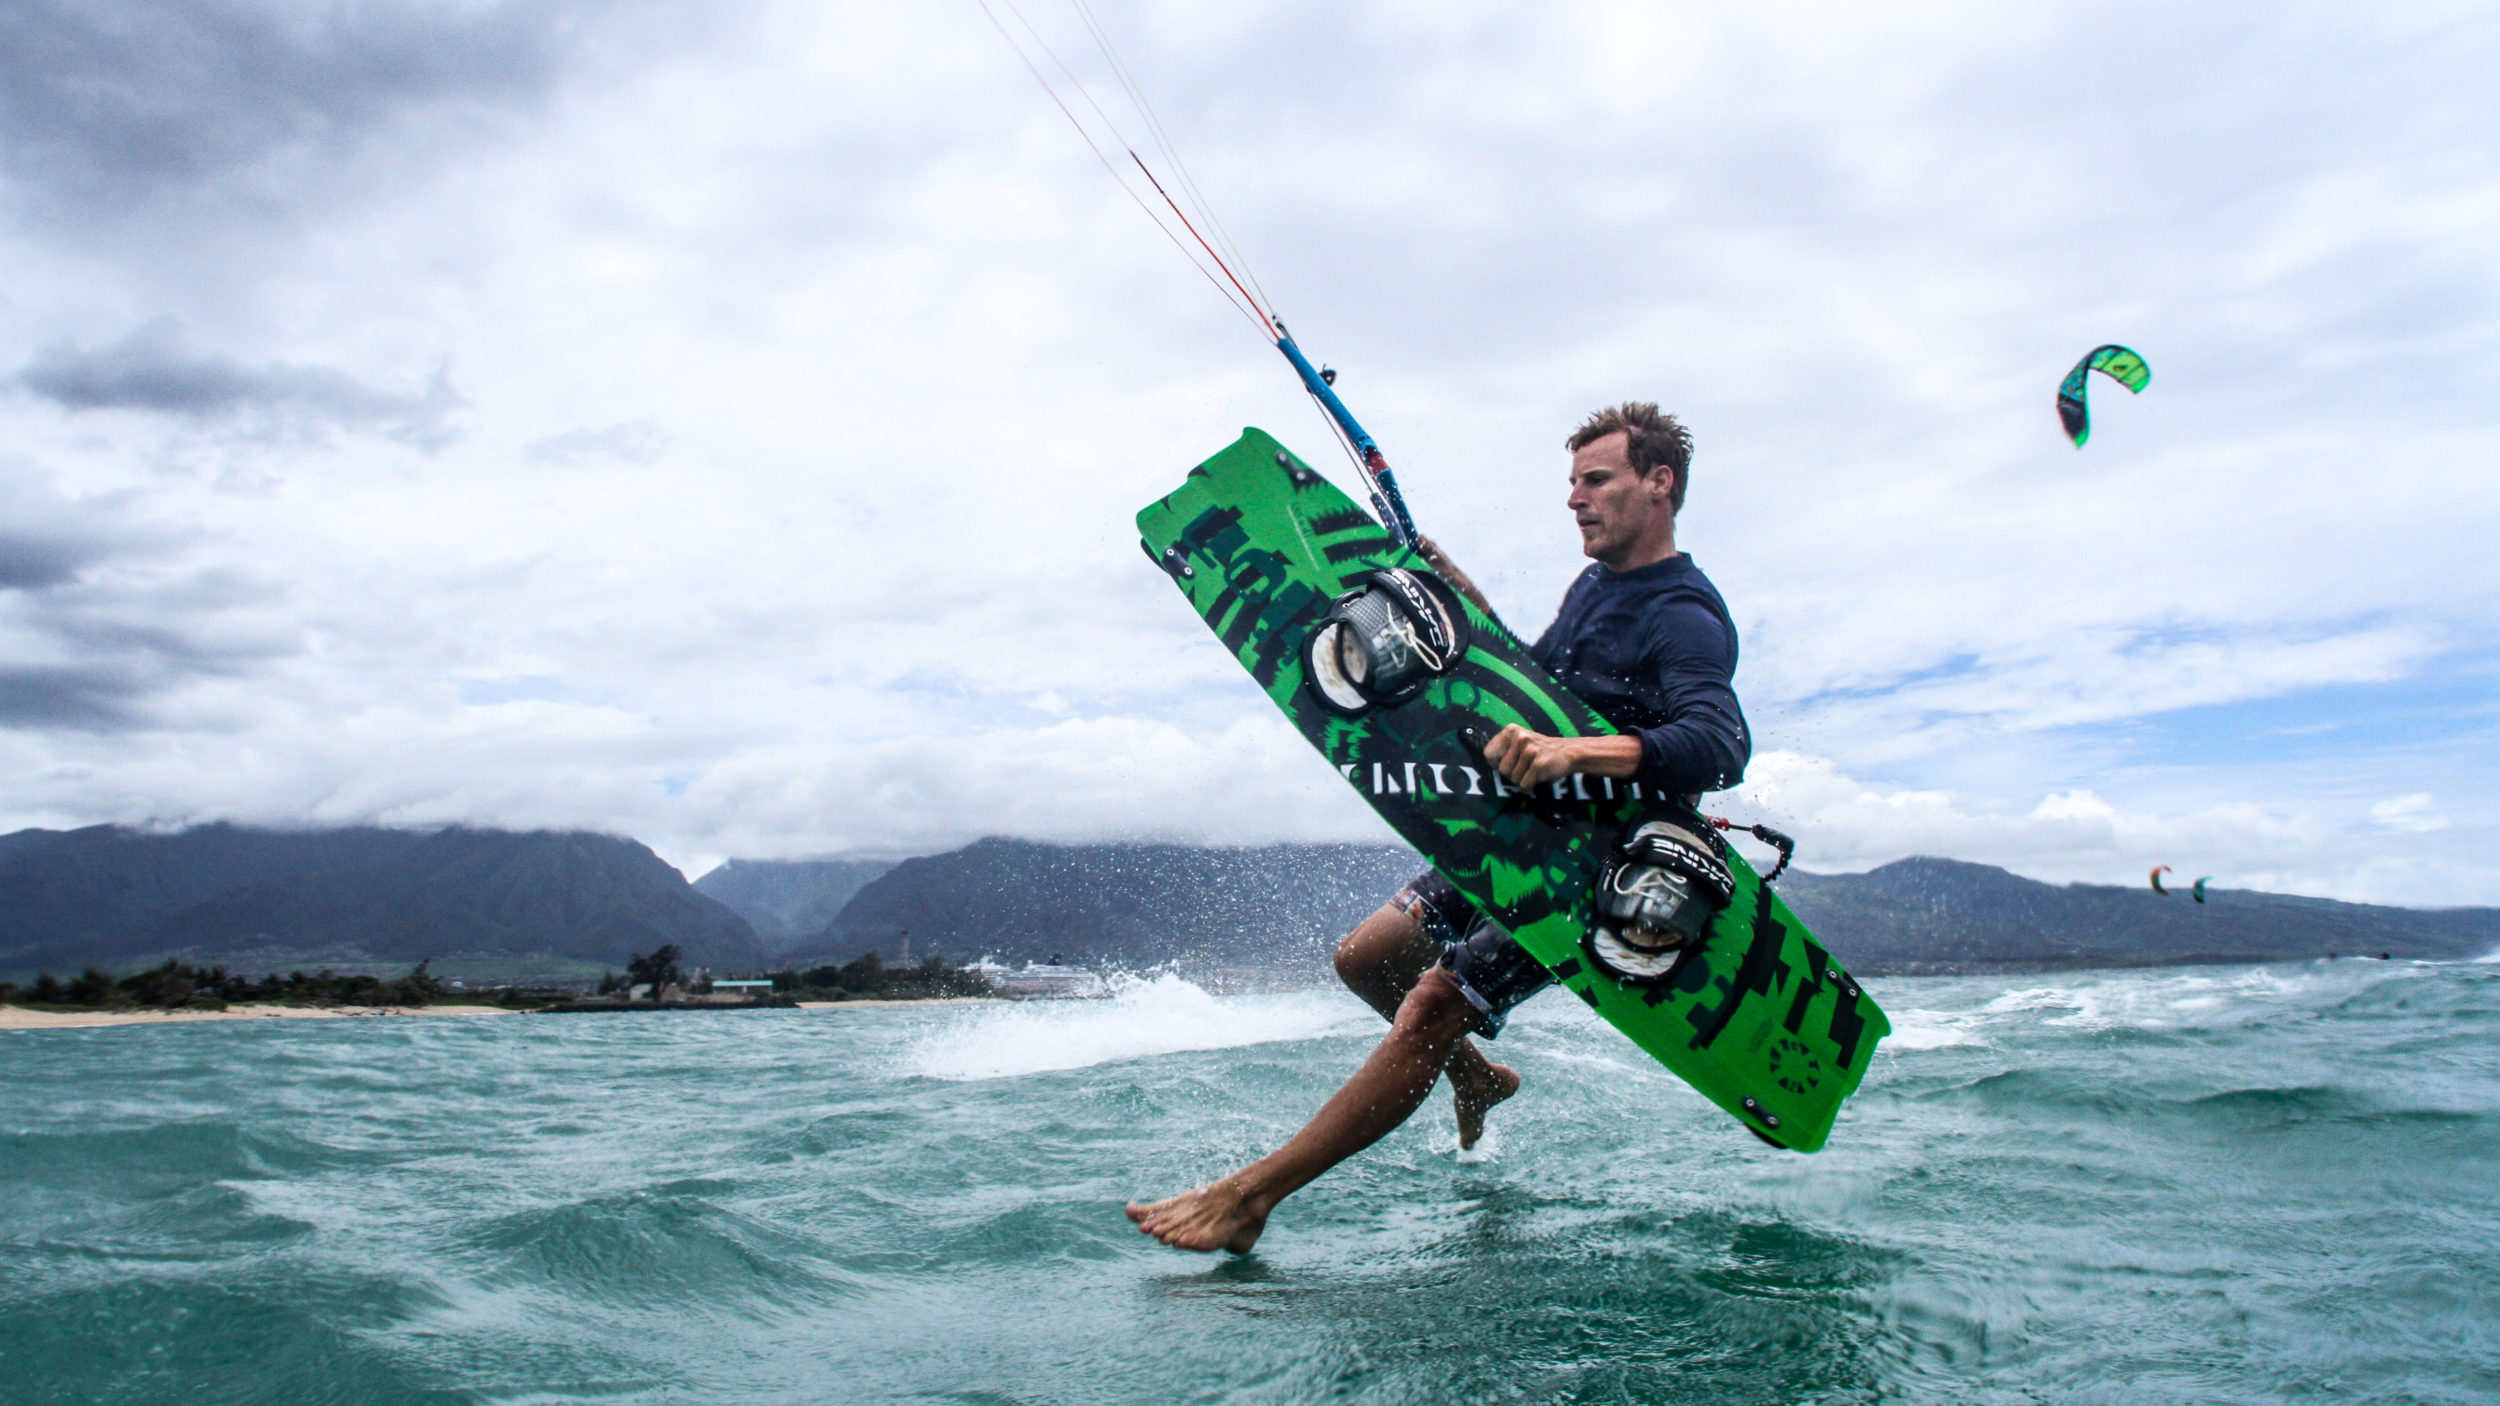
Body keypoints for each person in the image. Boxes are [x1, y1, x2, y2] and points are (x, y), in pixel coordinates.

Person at [1128, 402, 1751, 1253]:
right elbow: (1540, 683)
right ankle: (1479, 1080)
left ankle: (1248, 1201)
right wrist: (1471, 605)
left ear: (1660, 483)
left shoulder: (1684, 611)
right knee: (1368, 957)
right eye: (1571, 482)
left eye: (1596, 480)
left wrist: (1575, 753)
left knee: (1430, 1004)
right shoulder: (1600, 587)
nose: (1575, 498)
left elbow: (1720, 744)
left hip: (1600, 868)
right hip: (1521, 828)